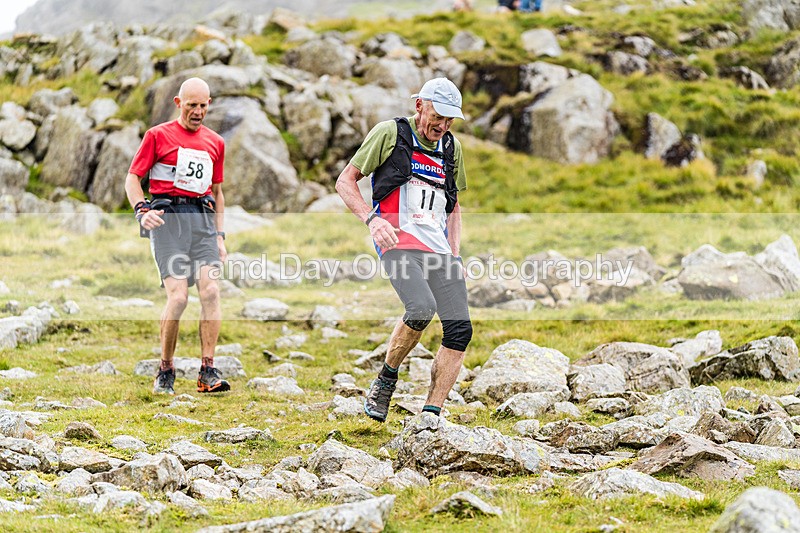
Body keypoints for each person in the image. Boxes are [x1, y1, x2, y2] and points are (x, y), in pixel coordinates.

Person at [336, 77, 473, 422]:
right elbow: (345, 181)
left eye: (449, 120)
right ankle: (385, 380)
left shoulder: (452, 149)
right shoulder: (390, 133)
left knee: (460, 330)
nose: (441, 126)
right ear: (419, 106)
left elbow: (452, 207)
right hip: (397, 242)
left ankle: (430, 415)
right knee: (421, 307)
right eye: (437, 117)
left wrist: (455, 255)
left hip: (438, 248)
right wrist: (372, 220)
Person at [125, 77, 230, 395]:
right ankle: (166, 370)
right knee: (180, 298)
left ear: (209, 103)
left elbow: (218, 192)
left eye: (203, 105)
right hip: (167, 221)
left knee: (210, 292)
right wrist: (142, 210)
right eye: (191, 105)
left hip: (202, 222)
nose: (197, 112)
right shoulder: (157, 135)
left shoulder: (215, 143)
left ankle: (208, 371)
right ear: (177, 103)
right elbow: (133, 179)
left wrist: (221, 235)